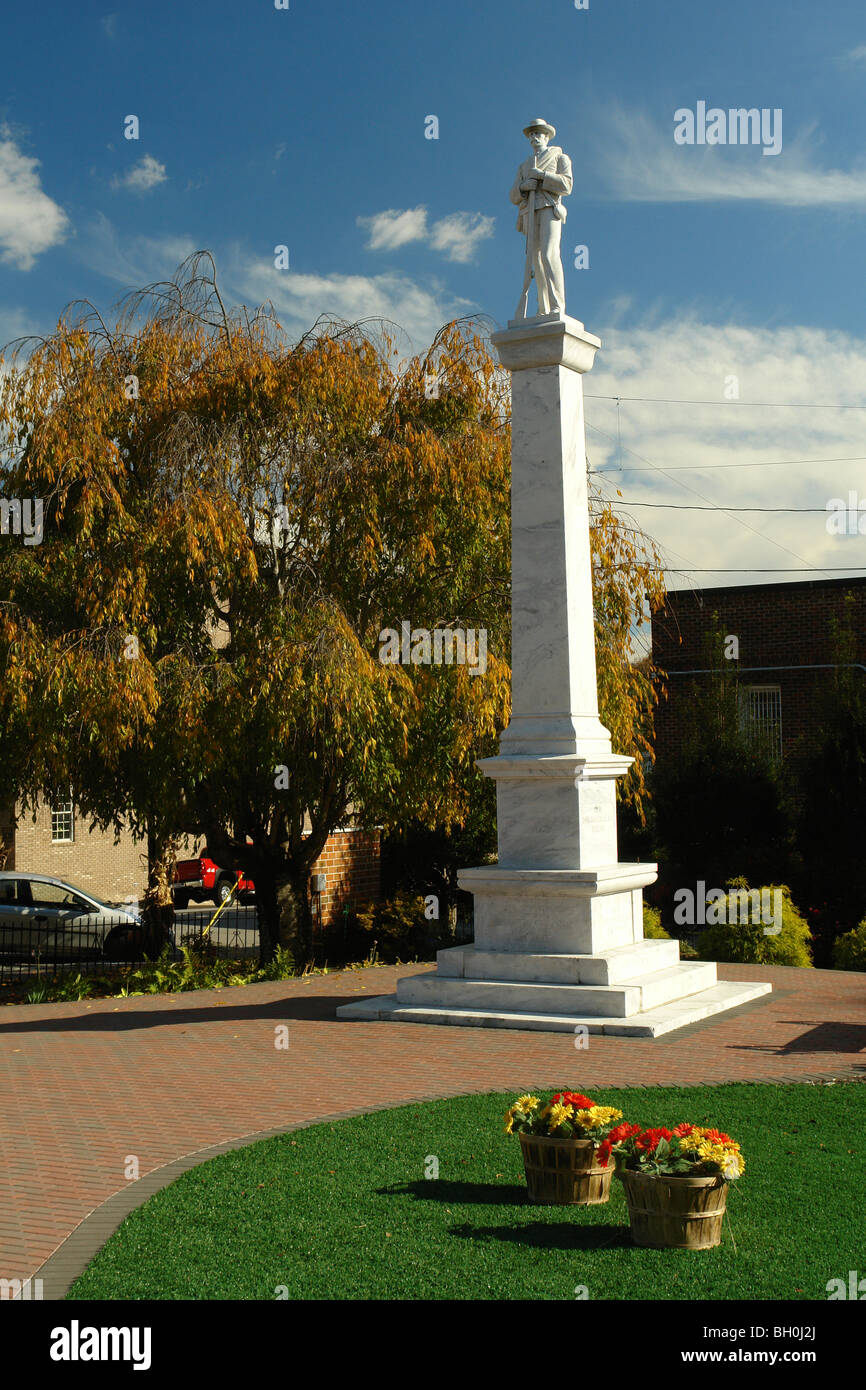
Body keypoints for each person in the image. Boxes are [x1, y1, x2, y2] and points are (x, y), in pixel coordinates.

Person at [510, 118, 573, 318]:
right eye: (532, 134)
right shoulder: (524, 166)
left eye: (538, 133)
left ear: (547, 136)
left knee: (549, 254)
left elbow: (567, 185)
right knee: (535, 262)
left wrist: (543, 176)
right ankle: (542, 308)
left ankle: (557, 306)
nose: (534, 137)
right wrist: (523, 187)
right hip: (530, 211)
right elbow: (513, 195)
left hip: (550, 208)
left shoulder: (560, 157)